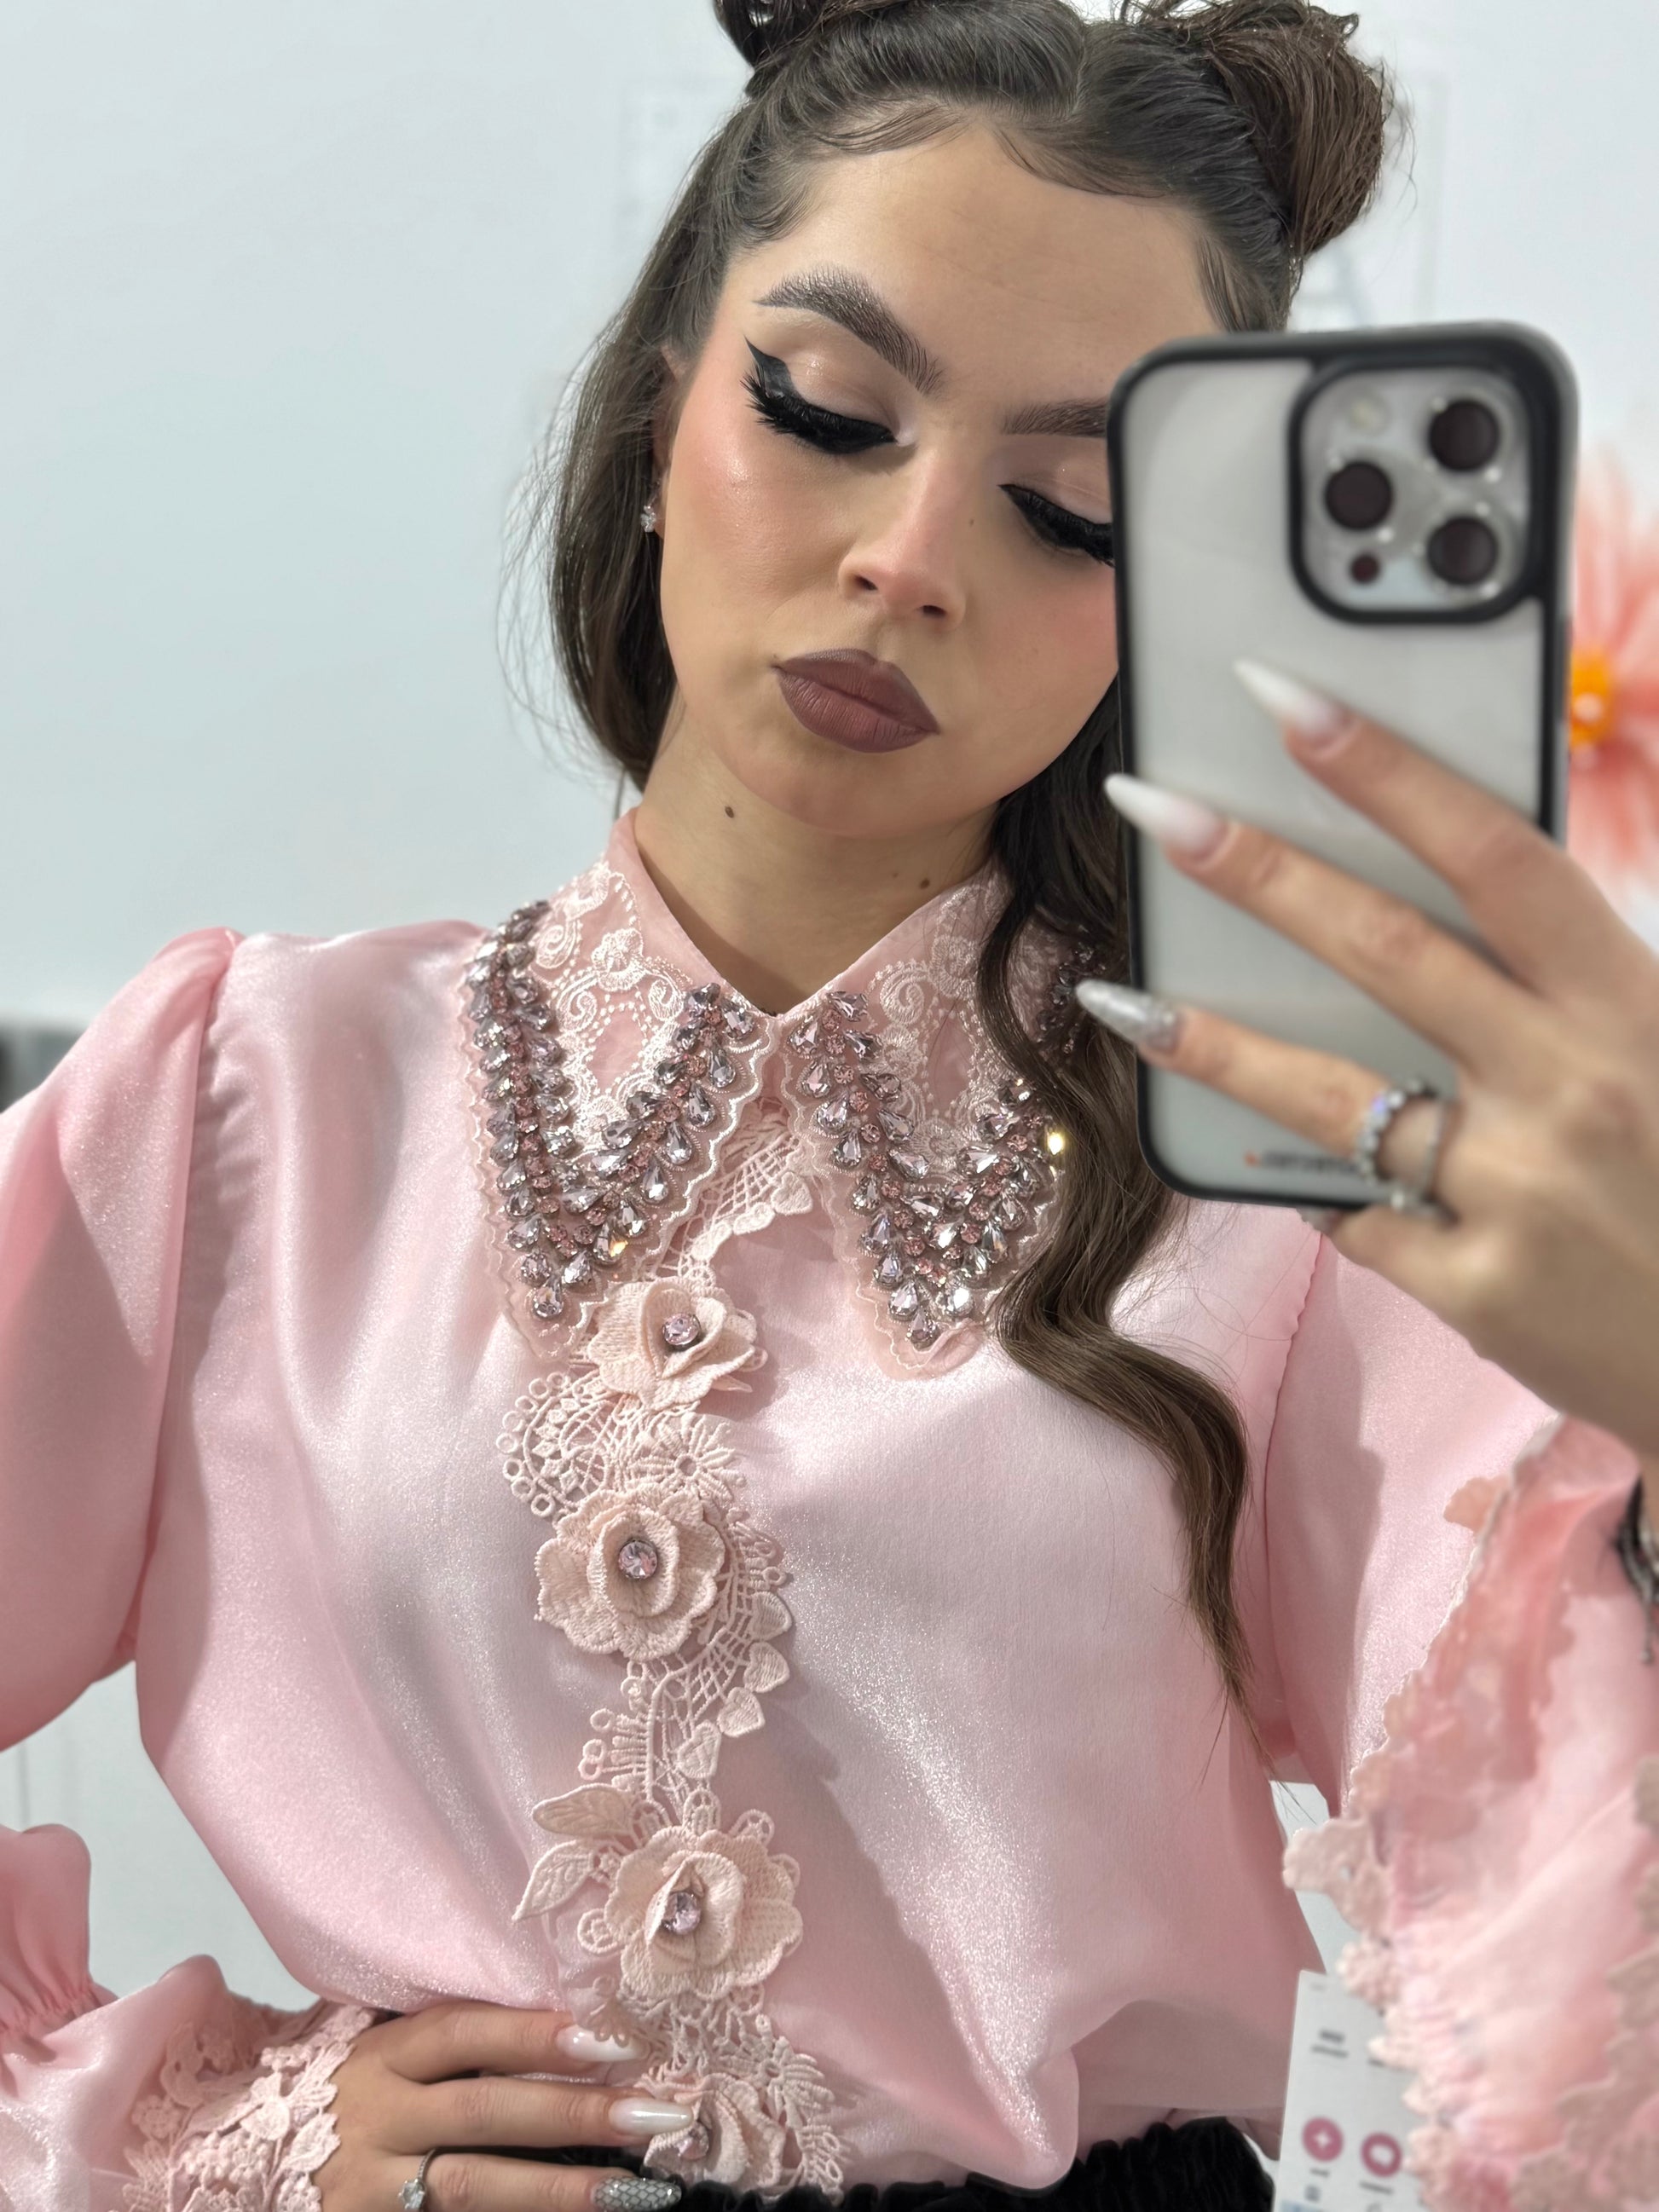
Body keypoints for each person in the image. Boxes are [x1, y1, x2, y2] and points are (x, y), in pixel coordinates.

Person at [3, 2, 1656, 2208]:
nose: (909, 556)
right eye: (825, 409)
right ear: (664, 399)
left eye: (1067, 511)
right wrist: (220, 2132)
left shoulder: (1291, 1183)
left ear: (1166, 595)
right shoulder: (247, 1097)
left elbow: (1558, 1930)